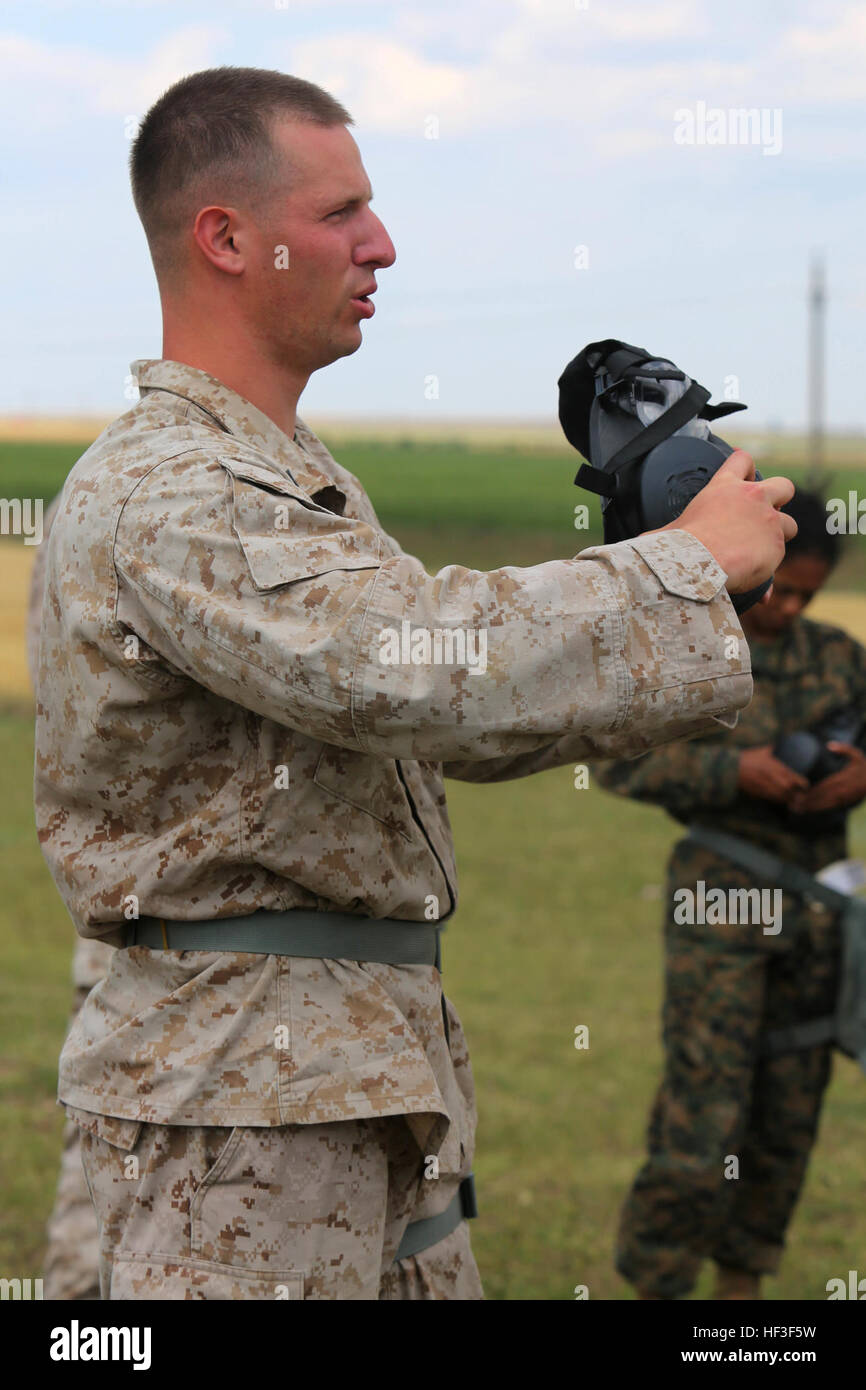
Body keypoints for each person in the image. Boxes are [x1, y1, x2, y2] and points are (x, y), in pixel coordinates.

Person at [32, 64, 793, 1301]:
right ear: (225, 237)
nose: (380, 244)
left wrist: (654, 591)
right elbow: (411, 669)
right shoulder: (173, 490)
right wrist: (681, 571)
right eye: (340, 213)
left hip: (345, 1097)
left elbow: (457, 724)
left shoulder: (285, 476)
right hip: (244, 1122)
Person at [593, 490, 866, 1301]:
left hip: (818, 915)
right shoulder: (693, 646)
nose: (790, 607)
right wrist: (732, 770)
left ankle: (741, 1296)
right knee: (702, 1116)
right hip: (719, 906)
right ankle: (660, 1284)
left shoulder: (841, 659)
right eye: (782, 587)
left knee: (787, 1115)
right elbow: (617, 761)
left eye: (811, 594)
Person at [27, 495, 111, 1301]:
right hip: (139, 939)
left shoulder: (79, 504)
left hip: (118, 918)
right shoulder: (123, 498)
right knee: (100, 1171)